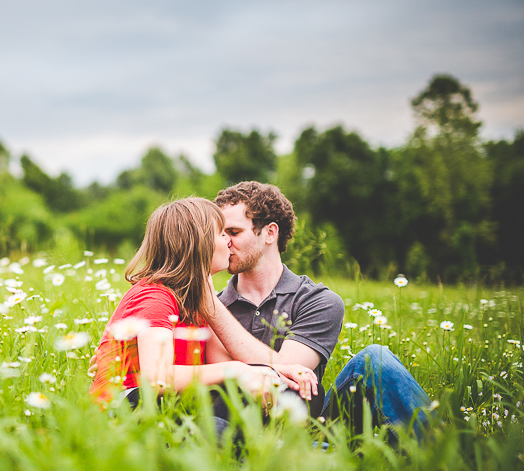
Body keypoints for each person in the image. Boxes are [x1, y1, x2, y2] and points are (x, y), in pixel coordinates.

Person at [207, 181, 432, 438]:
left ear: (270, 233)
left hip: (310, 432)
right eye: (220, 234)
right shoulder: (212, 304)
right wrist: (210, 304)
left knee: (375, 360)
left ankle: (441, 459)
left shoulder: (318, 300)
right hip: (235, 432)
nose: (224, 243)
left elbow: (286, 379)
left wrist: (212, 308)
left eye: (233, 232)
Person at [89, 197, 317, 430]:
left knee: (252, 386)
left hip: (165, 410)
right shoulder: (155, 296)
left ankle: (239, 445)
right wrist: (237, 370)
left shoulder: (197, 303)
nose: (229, 241)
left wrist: (275, 369)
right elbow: (156, 378)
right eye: (222, 234)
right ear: (198, 243)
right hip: (118, 411)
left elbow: (224, 363)